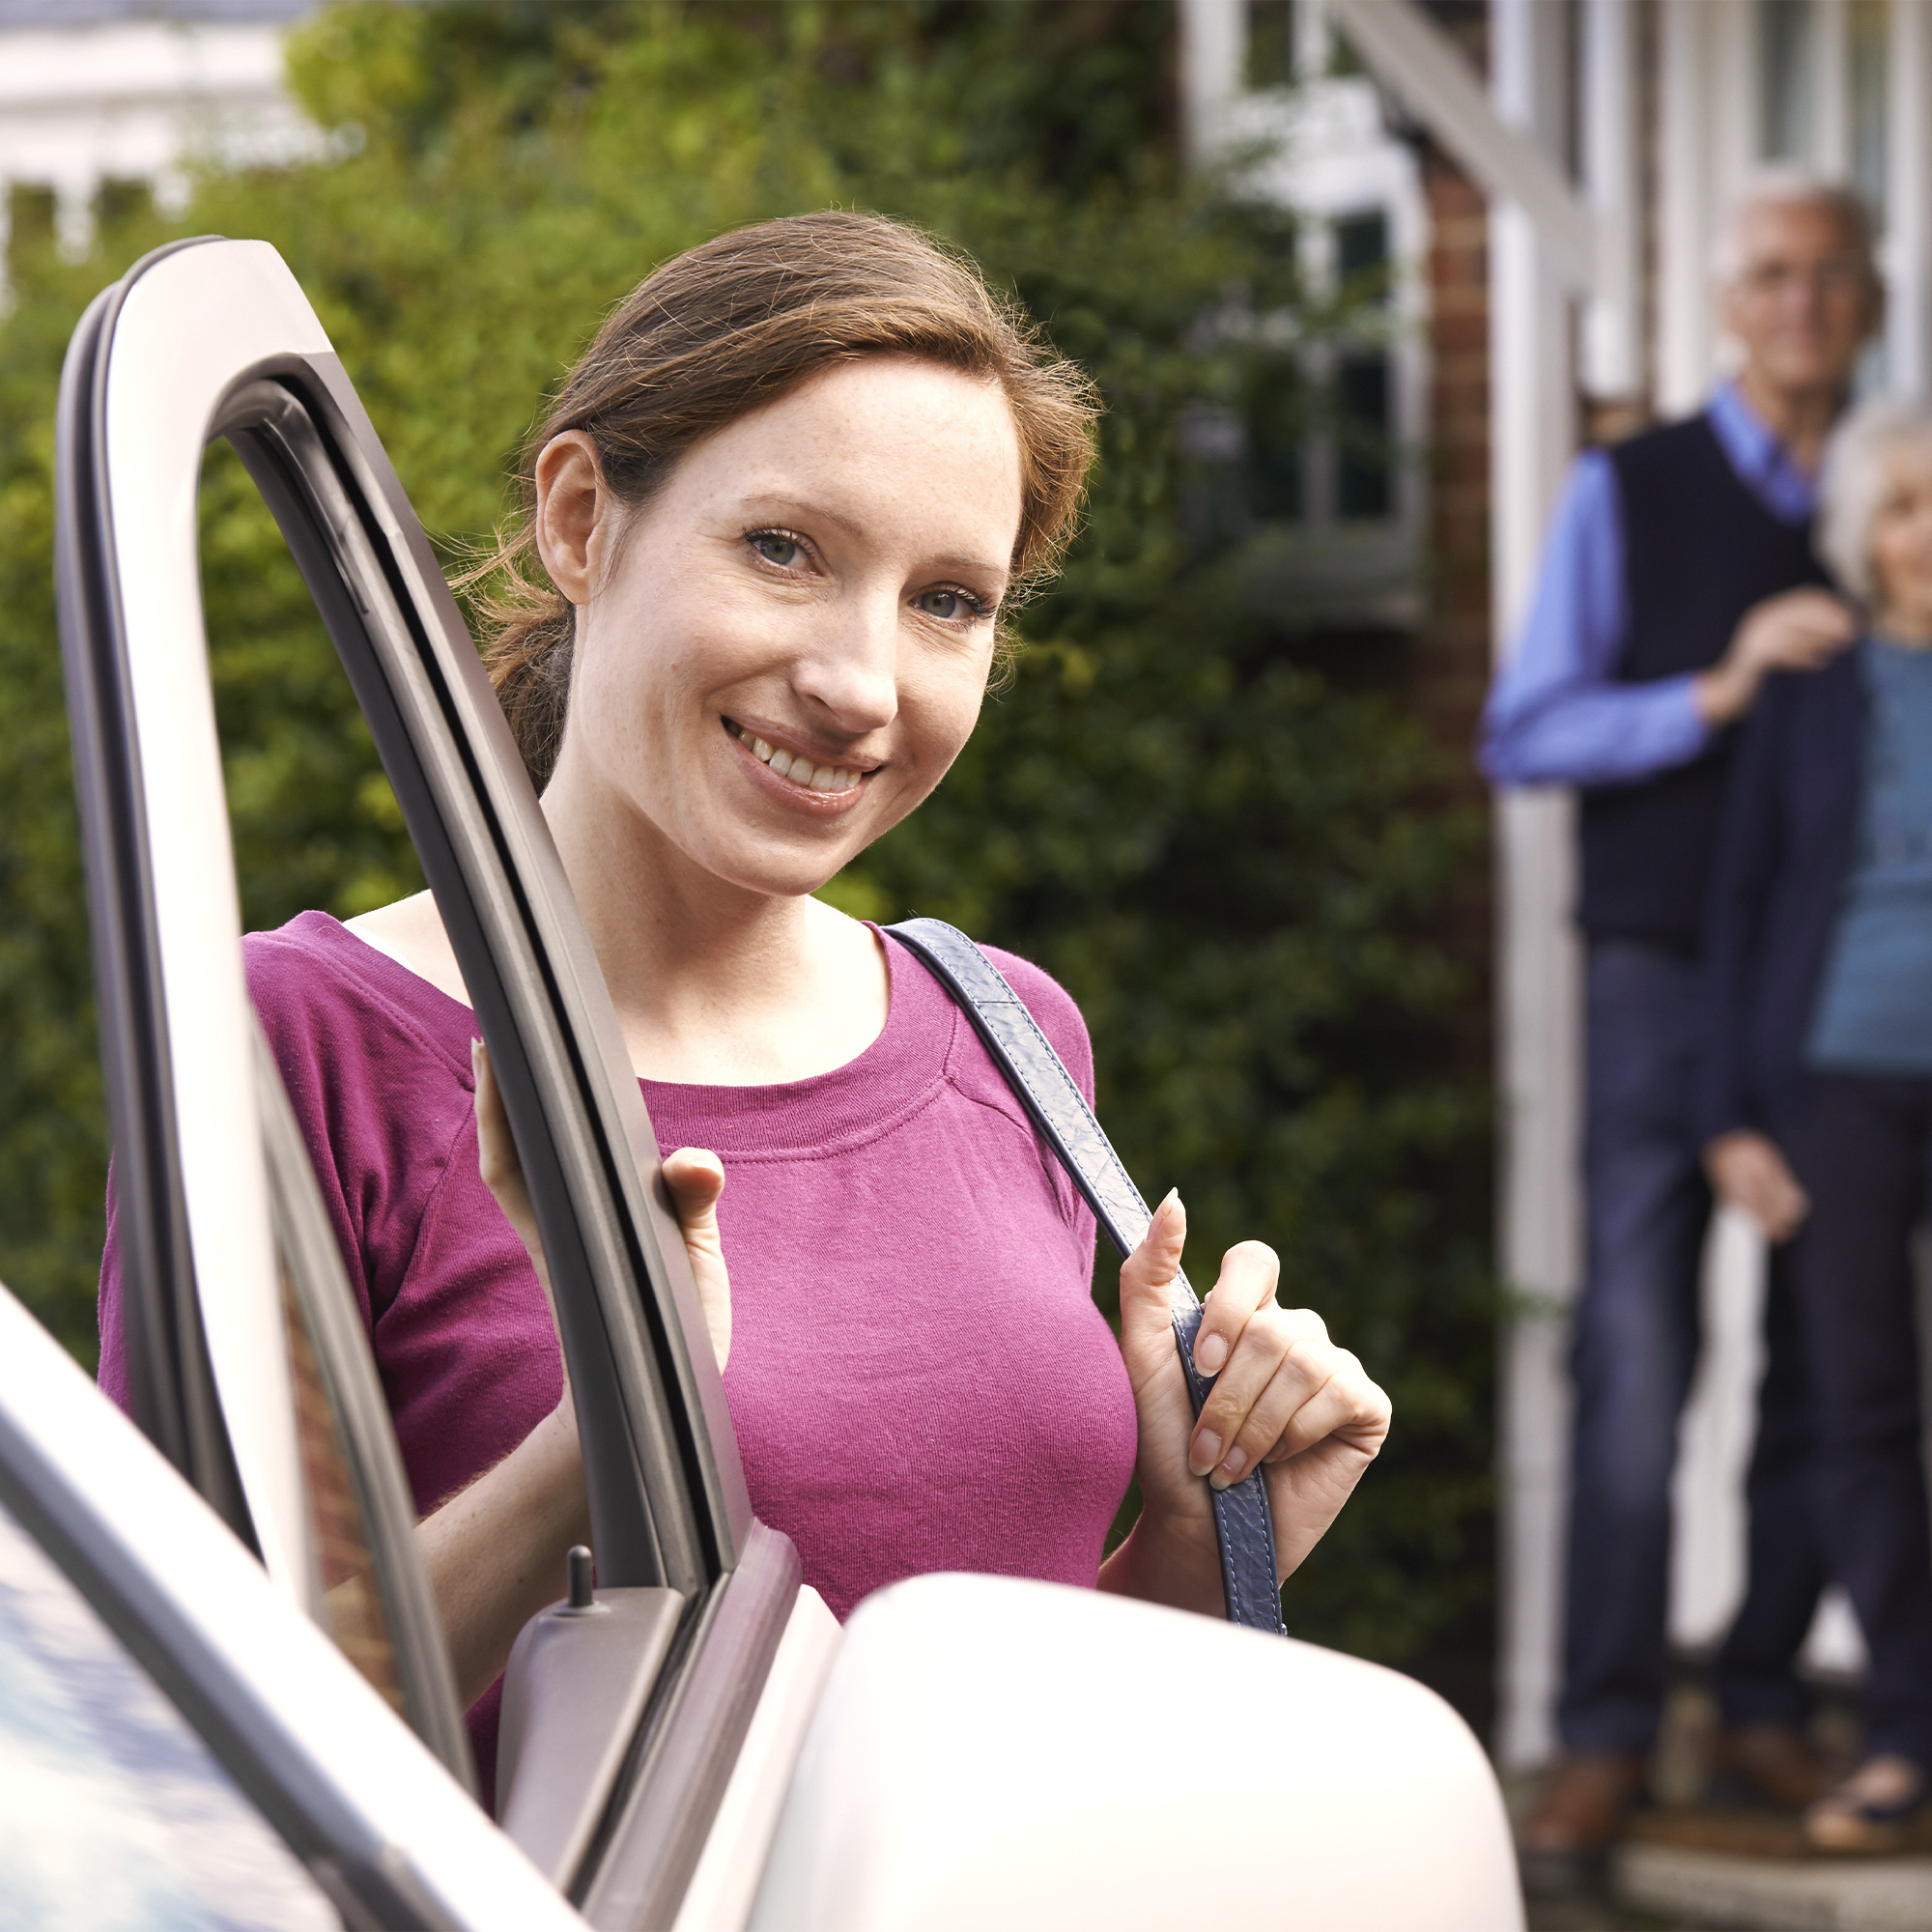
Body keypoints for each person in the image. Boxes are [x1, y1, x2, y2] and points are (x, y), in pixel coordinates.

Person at [96, 213, 1391, 1799]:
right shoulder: (298, 1047)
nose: (860, 681)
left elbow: (1003, 1785)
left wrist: (1207, 1538)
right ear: (583, 520)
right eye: (786, 549)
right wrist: (603, 1449)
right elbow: (173, 1755)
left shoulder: (1007, 1032)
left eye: (949, 602)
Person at [1481, 175, 1883, 1858]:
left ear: (1866, 302)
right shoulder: (1628, 488)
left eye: (1829, 278)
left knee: (1827, 1344)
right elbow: (1524, 731)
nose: (1799, 305)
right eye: (1770, 276)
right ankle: (1606, 1731)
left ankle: (1772, 1705)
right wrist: (1715, 692)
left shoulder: (1892, 495)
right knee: (1639, 1350)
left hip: (1837, 975)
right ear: (1732, 302)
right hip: (1655, 963)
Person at [1700, 397, 1932, 1854]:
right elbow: (1740, 908)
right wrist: (1729, 1117)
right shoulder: (1813, 687)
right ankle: (1906, 1726)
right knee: (1862, 1412)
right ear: (1863, 533)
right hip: (1837, 1079)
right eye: (1902, 506)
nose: (1927, 536)